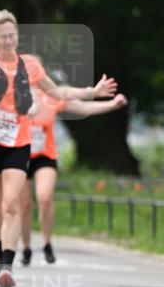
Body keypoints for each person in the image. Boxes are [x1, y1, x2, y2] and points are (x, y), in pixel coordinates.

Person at [0, 9, 118, 287]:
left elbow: (58, 93)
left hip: (18, 143)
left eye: (13, 36)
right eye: (3, 37)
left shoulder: (30, 65)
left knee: (11, 204)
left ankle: (6, 266)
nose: (9, 41)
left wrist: (91, 91)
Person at [20, 88, 128, 264]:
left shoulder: (50, 96)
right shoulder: (12, 95)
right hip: (19, 156)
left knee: (45, 197)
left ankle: (47, 244)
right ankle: (26, 247)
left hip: (44, 156)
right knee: (23, 206)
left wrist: (112, 104)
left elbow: (82, 107)